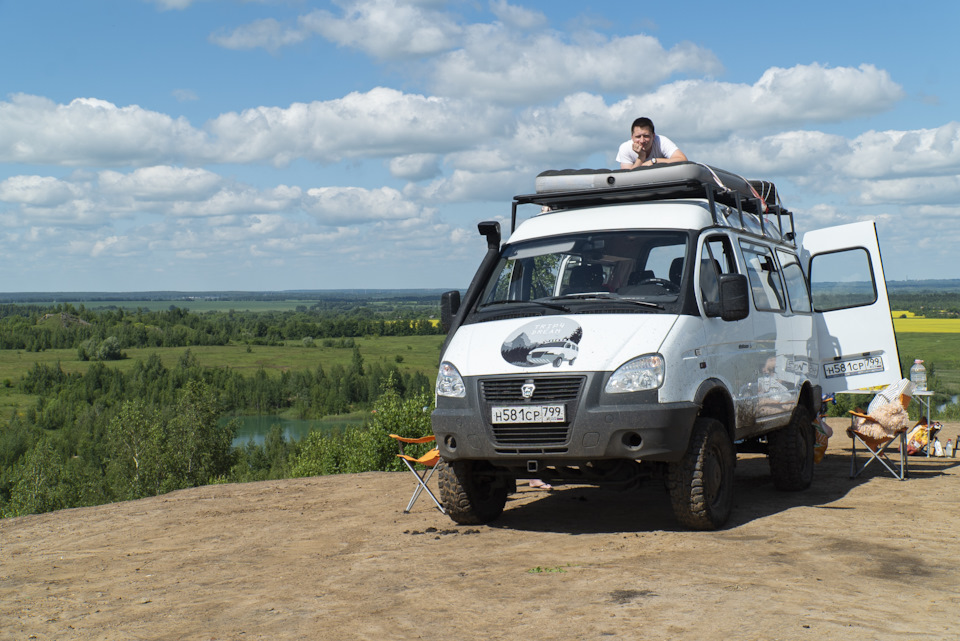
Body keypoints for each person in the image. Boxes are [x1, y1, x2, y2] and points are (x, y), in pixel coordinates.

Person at [616, 117, 688, 169]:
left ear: (653, 136)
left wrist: (654, 162)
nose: (642, 141)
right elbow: (628, 178)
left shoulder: (661, 141)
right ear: (632, 137)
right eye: (638, 137)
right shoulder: (625, 148)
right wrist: (641, 157)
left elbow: (683, 160)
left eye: (646, 136)